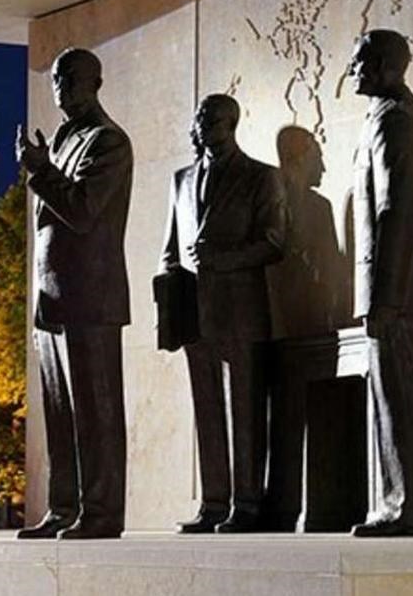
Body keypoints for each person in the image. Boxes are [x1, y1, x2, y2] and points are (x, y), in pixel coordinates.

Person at [15, 47, 133, 540]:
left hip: (92, 295)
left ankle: (101, 512)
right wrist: (43, 166)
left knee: (96, 409)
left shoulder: (108, 142)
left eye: (70, 78)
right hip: (54, 297)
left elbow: (84, 211)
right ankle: (63, 508)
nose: (60, 86)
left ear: (96, 82)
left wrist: (40, 171)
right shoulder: (65, 140)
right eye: (56, 79)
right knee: (60, 414)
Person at [160, 94, 286, 533]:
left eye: (211, 119)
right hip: (194, 313)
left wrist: (223, 258)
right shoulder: (180, 180)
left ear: (231, 124)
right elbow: (170, 250)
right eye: (199, 119)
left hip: (241, 310)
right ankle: (213, 502)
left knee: (246, 411)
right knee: (207, 410)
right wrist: (170, 284)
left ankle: (247, 503)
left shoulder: (261, 177)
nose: (202, 126)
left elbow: (274, 242)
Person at [347, 29, 413, 537]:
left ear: (387, 65)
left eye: (361, 61)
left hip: (398, 296)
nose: (352, 69)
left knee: (399, 403)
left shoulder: (395, 124)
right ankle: (401, 505)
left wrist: (384, 297)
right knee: (401, 401)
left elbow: (396, 213)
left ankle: (401, 507)